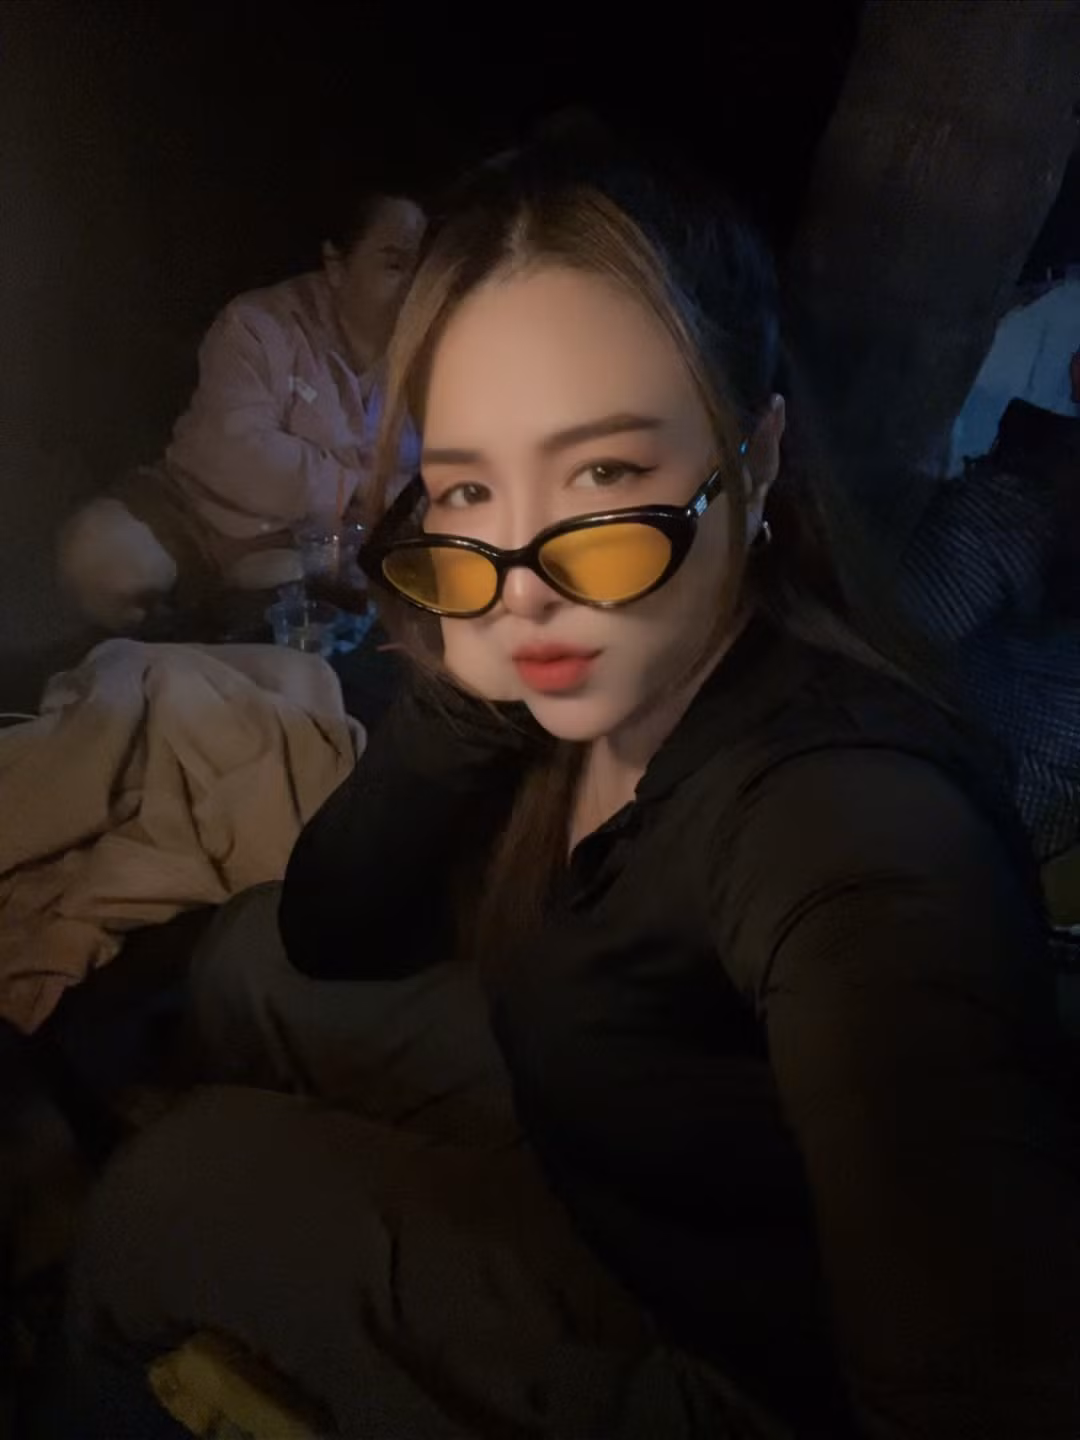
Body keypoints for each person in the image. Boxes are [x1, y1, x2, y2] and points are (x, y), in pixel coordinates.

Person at [54, 134, 1080, 1438]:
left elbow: (989, 1385)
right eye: (469, 485)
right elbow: (331, 926)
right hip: (619, 1136)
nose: (524, 577)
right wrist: (466, 691)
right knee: (248, 955)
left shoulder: (848, 820)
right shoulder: (580, 657)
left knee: (162, 1199)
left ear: (757, 456)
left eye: (603, 474)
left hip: (723, 1365)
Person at [57, 186, 426, 630]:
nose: (415, 288)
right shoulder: (259, 325)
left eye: (425, 270)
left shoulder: (437, 355)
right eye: (395, 265)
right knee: (100, 555)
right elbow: (236, 450)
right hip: (200, 514)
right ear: (335, 264)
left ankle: (233, 630)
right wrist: (355, 486)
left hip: (319, 544)